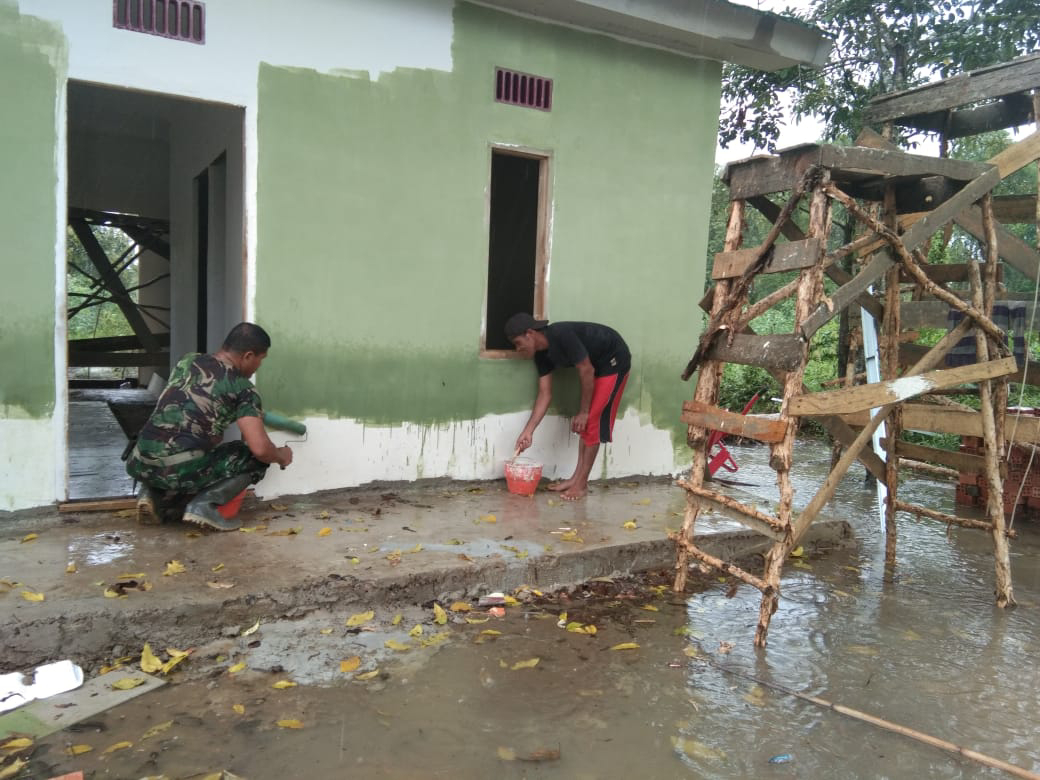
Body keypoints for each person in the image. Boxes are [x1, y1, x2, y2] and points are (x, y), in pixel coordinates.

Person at [125, 322, 293, 531]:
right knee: (251, 456)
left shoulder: (188, 361)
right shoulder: (244, 390)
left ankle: (152, 495)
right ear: (249, 355)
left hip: (139, 461)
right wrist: (280, 455)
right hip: (177, 470)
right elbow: (260, 448)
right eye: (261, 359)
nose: (259, 365)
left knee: (174, 444)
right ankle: (203, 506)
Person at [505, 313, 630, 501]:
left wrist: (584, 412)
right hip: (596, 366)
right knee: (586, 425)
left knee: (592, 421)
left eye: (517, 342)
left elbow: (586, 369)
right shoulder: (541, 356)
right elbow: (545, 394)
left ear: (530, 333)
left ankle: (581, 485)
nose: (518, 348)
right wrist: (528, 431)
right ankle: (575, 479)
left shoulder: (561, 334)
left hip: (613, 360)